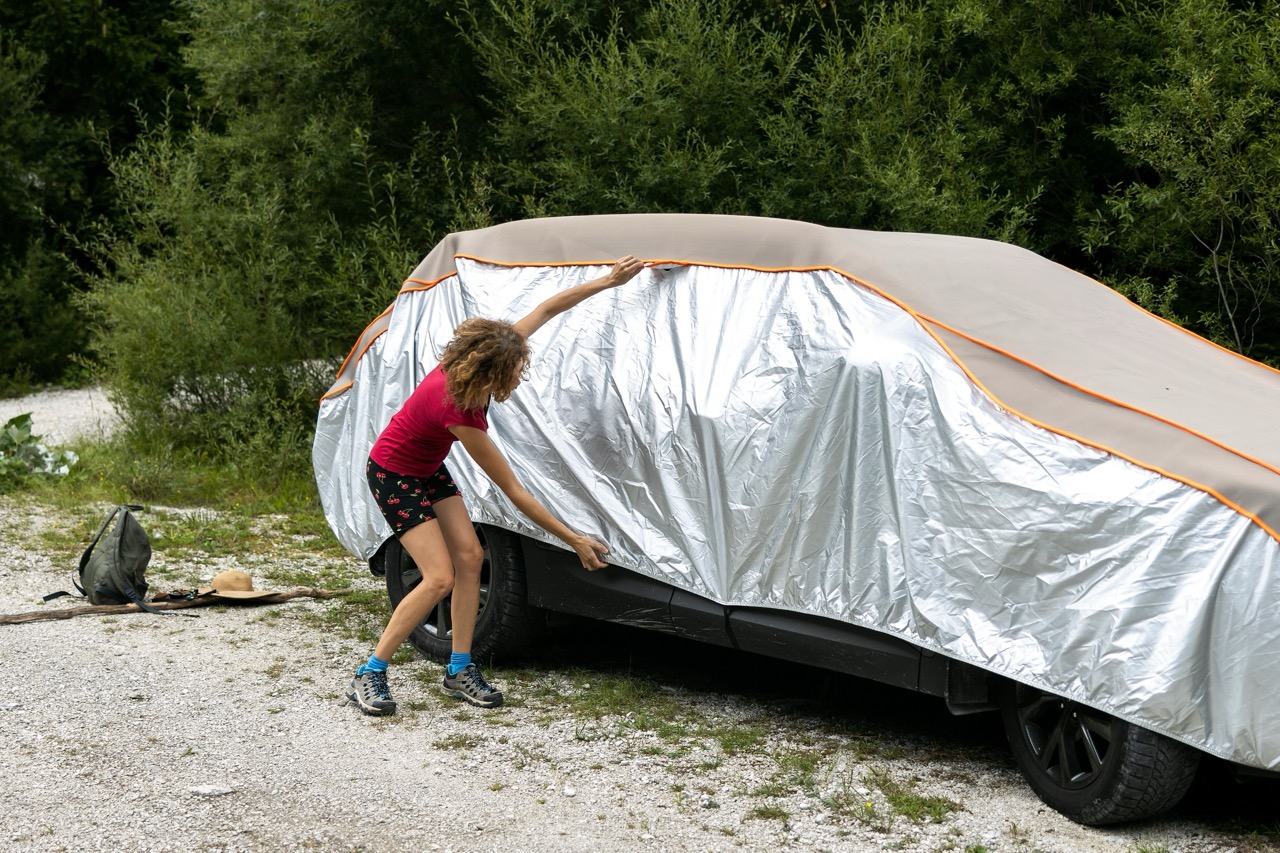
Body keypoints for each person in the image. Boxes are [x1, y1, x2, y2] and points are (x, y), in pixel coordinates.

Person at [348, 255, 646, 715]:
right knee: (439, 577)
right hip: (393, 474)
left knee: (470, 557)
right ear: (493, 373)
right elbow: (515, 491)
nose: (518, 375)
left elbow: (547, 309)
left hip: (425, 468)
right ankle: (369, 673)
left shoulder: (480, 357)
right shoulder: (460, 412)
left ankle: (459, 668)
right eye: (515, 371)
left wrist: (609, 280)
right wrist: (572, 540)